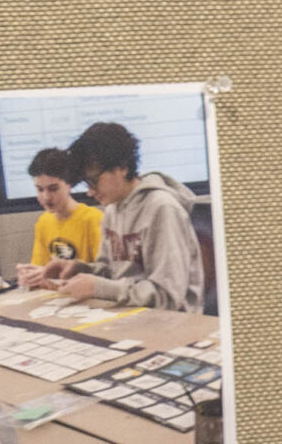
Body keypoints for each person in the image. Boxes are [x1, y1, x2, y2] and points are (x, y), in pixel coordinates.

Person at [25, 120, 204, 312]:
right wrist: (80, 269)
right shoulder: (112, 209)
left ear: (122, 167)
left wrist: (98, 287)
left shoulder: (162, 208)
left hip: (173, 320)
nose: (90, 192)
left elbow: (167, 297)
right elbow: (111, 273)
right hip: (131, 313)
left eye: (94, 181)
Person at [21, 145, 102, 271]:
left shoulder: (93, 219)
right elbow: (40, 267)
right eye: (40, 189)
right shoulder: (43, 222)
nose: (46, 197)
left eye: (53, 189)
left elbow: (104, 271)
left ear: (69, 185)